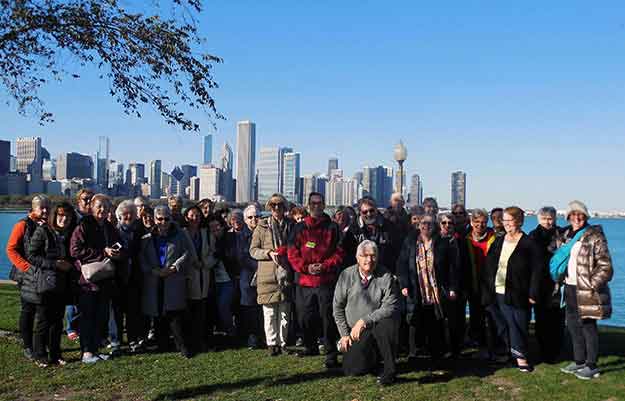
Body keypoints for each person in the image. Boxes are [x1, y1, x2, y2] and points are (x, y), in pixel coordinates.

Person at [554, 201, 613, 380]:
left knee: (588, 326)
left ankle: (591, 364)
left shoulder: (595, 235)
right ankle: (579, 360)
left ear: (585, 217)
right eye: (573, 214)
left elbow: (606, 266)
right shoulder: (565, 235)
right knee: (572, 326)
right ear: (568, 217)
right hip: (569, 287)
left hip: (587, 289)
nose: (577, 218)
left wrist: (591, 284)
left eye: (580, 215)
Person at [288, 192, 344, 369]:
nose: (316, 206)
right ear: (308, 205)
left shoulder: (333, 228)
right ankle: (310, 345)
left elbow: (339, 252)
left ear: (324, 205)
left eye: (320, 203)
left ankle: (330, 352)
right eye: (313, 203)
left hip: (325, 281)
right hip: (304, 281)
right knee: (304, 316)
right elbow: (292, 252)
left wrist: (324, 266)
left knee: (328, 318)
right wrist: (306, 267)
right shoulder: (299, 228)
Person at [481, 207, 540, 372]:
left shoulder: (529, 243)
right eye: (504, 221)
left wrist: (533, 293)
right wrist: (487, 288)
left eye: (510, 220)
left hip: (519, 292)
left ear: (519, 221)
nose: (506, 224)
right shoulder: (499, 241)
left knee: (518, 324)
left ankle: (521, 357)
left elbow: (537, 270)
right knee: (503, 325)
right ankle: (507, 353)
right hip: (498, 290)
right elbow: (489, 266)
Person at [334, 240, 400, 386]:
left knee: (387, 323)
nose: (369, 260)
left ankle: (390, 370)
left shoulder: (386, 276)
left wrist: (364, 320)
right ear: (357, 258)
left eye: (373, 255)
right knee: (352, 369)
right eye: (364, 255)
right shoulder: (346, 275)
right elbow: (337, 308)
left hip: (377, 324)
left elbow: (390, 307)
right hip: (356, 331)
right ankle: (373, 359)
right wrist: (344, 334)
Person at [70, 194, 124, 364]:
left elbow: (120, 244)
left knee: (101, 317)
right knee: (87, 316)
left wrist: (118, 252)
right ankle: (86, 352)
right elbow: (75, 250)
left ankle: (94, 350)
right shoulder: (83, 226)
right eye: (99, 206)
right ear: (92, 207)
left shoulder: (109, 227)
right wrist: (102, 252)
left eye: (106, 206)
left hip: (105, 279)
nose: (102, 209)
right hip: (88, 281)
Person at [397, 214, 458, 362]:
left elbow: (452, 267)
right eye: (423, 223)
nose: (426, 226)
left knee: (436, 321)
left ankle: (437, 353)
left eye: (430, 223)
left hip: (436, 289)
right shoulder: (410, 242)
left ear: (435, 226)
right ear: (418, 225)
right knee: (414, 320)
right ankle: (414, 353)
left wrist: (452, 287)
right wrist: (404, 284)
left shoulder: (442, 243)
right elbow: (402, 264)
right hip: (416, 287)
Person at [26, 201, 77, 367]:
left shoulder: (69, 233)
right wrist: (54, 263)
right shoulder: (43, 231)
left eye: (68, 216)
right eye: (61, 215)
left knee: (57, 321)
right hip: (45, 282)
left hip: (63, 283)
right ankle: (40, 354)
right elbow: (32, 255)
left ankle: (55, 353)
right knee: (43, 320)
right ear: (55, 216)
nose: (64, 219)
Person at [139, 205, 192, 358]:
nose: (163, 222)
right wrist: (152, 270)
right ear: (155, 219)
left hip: (173, 277)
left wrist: (175, 267)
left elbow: (187, 253)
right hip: (154, 278)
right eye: (159, 219)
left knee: (174, 315)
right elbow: (141, 257)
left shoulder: (180, 234)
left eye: (166, 219)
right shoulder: (147, 237)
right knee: (157, 313)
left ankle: (182, 346)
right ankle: (162, 344)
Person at [6, 195, 51, 361]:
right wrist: (26, 268)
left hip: (44, 276)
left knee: (44, 311)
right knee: (28, 310)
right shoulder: (23, 225)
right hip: (26, 275)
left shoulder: (49, 225)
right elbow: (11, 249)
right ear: (34, 209)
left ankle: (41, 344)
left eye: (47, 207)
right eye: (42, 207)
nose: (45, 210)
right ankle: (27, 346)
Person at [250, 194, 295, 356]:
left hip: (285, 273)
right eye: (274, 205)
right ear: (269, 207)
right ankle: (271, 343)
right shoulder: (261, 226)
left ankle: (283, 343)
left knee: (284, 312)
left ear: (285, 207)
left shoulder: (291, 225)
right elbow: (253, 250)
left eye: (280, 205)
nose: (277, 208)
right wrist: (268, 253)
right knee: (269, 312)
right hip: (267, 274)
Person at [528, 206, 565, 363]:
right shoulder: (533, 236)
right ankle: (544, 350)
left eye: (550, 218)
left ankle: (555, 350)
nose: (547, 222)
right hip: (540, 282)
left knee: (557, 319)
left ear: (555, 219)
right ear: (539, 219)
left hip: (558, 282)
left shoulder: (562, 234)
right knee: (542, 319)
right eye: (544, 219)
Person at [109, 200, 143, 354]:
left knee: (132, 312)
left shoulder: (140, 231)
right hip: (116, 276)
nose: (128, 216)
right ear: (118, 216)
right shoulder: (112, 232)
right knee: (115, 312)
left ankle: (133, 340)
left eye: (131, 214)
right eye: (124, 214)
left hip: (134, 276)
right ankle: (115, 341)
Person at [183, 205, 218, 353]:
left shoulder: (206, 234)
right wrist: (191, 262)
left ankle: (201, 341)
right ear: (186, 217)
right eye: (191, 215)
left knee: (201, 311)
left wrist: (204, 264)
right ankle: (189, 341)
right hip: (186, 275)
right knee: (187, 311)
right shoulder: (182, 233)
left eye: (197, 215)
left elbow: (214, 253)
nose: (195, 218)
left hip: (203, 275)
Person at [234, 205, 262, 349]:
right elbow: (241, 257)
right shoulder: (240, 236)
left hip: (263, 276)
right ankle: (251, 337)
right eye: (250, 217)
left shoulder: (265, 233)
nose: (254, 220)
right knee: (248, 307)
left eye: (256, 216)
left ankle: (261, 336)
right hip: (247, 276)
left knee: (261, 308)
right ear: (245, 220)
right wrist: (258, 266)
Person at [350, 197, 401, 274]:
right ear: (360, 213)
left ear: (376, 210)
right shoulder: (353, 229)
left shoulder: (389, 227)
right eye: (365, 212)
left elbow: (396, 251)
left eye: (371, 210)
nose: (369, 214)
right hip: (360, 272)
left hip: (384, 271)